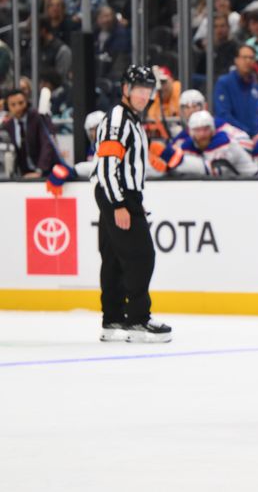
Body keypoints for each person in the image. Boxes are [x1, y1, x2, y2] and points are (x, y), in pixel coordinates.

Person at [93, 65, 172, 343]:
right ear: (125, 89)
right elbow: (106, 165)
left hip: (122, 194)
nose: (143, 95)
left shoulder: (131, 118)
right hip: (118, 194)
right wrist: (118, 204)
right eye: (139, 89)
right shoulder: (118, 118)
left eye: (147, 90)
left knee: (114, 258)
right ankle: (138, 319)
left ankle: (112, 319)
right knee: (141, 256)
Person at [1, 88, 58, 178]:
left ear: (26, 102)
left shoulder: (39, 118)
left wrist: (40, 170)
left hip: (48, 173)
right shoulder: (8, 126)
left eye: (21, 103)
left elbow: (47, 144)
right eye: (13, 105)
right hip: (24, 175)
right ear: (7, 107)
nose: (18, 108)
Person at [214, 44, 258, 137]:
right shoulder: (224, 83)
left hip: (257, 137)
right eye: (244, 57)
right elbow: (223, 115)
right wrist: (247, 133)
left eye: (251, 58)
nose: (248, 61)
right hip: (233, 138)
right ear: (236, 60)